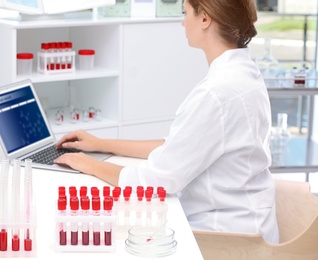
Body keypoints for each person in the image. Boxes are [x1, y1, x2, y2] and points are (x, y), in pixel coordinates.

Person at [55, 0, 279, 243]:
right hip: (247, 222)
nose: (183, 22)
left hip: (228, 237)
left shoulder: (217, 93)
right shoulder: (243, 74)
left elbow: (156, 181)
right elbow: (177, 147)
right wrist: (102, 144)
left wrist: (89, 165)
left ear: (205, 18)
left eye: (185, 12)